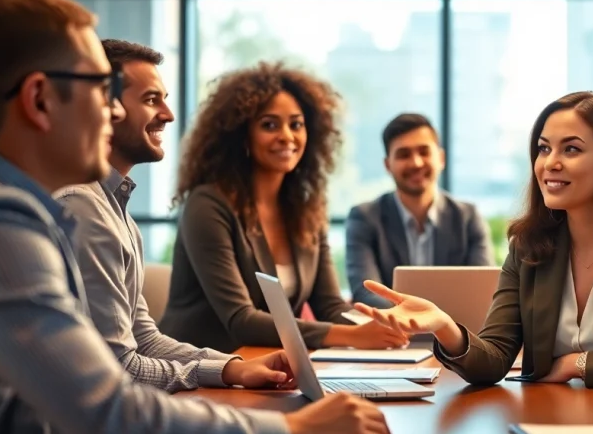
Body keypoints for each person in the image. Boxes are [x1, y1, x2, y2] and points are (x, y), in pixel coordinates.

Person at [0, 0, 390, 434]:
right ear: (40, 99)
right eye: (100, 90)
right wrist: (295, 430)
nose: (112, 111)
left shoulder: (39, 211)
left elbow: (137, 345)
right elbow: (113, 415)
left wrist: (230, 370)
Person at [356, 92, 593, 388]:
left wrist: (582, 364)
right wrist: (443, 325)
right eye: (544, 149)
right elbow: (495, 359)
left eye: (571, 149)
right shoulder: (529, 245)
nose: (550, 163)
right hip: (546, 422)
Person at [56, 39, 291, 393]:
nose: (168, 114)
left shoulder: (117, 212)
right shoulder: (83, 207)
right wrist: (221, 373)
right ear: (105, 106)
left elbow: (145, 339)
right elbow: (120, 368)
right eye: (152, 99)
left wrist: (232, 367)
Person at [160, 62, 408, 353]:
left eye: (296, 124)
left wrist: (377, 325)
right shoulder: (208, 205)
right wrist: (352, 337)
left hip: (269, 366)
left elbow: (328, 304)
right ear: (242, 135)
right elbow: (241, 320)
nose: (287, 136)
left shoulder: (305, 209)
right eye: (269, 125)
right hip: (198, 370)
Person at [347, 113, 494, 308]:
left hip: (455, 332)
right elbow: (365, 291)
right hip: (394, 331)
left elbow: (481, 289)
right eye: (403, 154)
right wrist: (413, 318)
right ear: (387, 165)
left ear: (441, 158)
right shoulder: (364, 218)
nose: (416, 163)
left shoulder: (468, 218)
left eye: (424, 152)